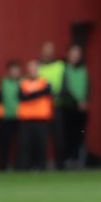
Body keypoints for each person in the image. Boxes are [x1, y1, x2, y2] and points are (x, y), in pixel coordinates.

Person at [18, 59, 53, 171]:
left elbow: (47, 91)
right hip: (26, 120)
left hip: (41, 120)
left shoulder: (45, 82)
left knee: (41, 145)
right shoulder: (23, 82)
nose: (33, 70)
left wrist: (31, 95)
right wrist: (38, 93)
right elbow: (22, 97)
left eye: (35, 68)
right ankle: (25, 168)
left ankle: (42, 168)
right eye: (31, 68)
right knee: (26, 146)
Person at [59, 44, 89, 169]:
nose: (75, 57)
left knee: (79, 135)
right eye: (73, 54)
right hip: (68, 107)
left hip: (81, 109)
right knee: (67, 135)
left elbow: (87, 87)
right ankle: (67, 160)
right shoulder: (64, 69)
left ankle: (78, 160)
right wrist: (78, 101)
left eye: (77, 54)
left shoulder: (83, 70)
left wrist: (85, 100)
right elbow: (65, 89)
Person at [38, 41, 66, 169]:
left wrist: (57, 95)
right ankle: (41, 165)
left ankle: (60, 165)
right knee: (42, 138)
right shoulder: (37, 66)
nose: (48, 52)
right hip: (41, 109)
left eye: (50, 49)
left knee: (59, 138)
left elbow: (65, 84)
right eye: (46, 49)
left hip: (56, 106)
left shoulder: (60, 66)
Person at [0, 60, 22, 171]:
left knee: (21, 144)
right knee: (5, 144)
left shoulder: (24, 82)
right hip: (6, 117)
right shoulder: (3, 83)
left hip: (21, 117)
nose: (15, 72)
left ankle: (19, 167)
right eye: (13, 70)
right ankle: (4, 166)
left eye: (17, 70)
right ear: (8, 71)